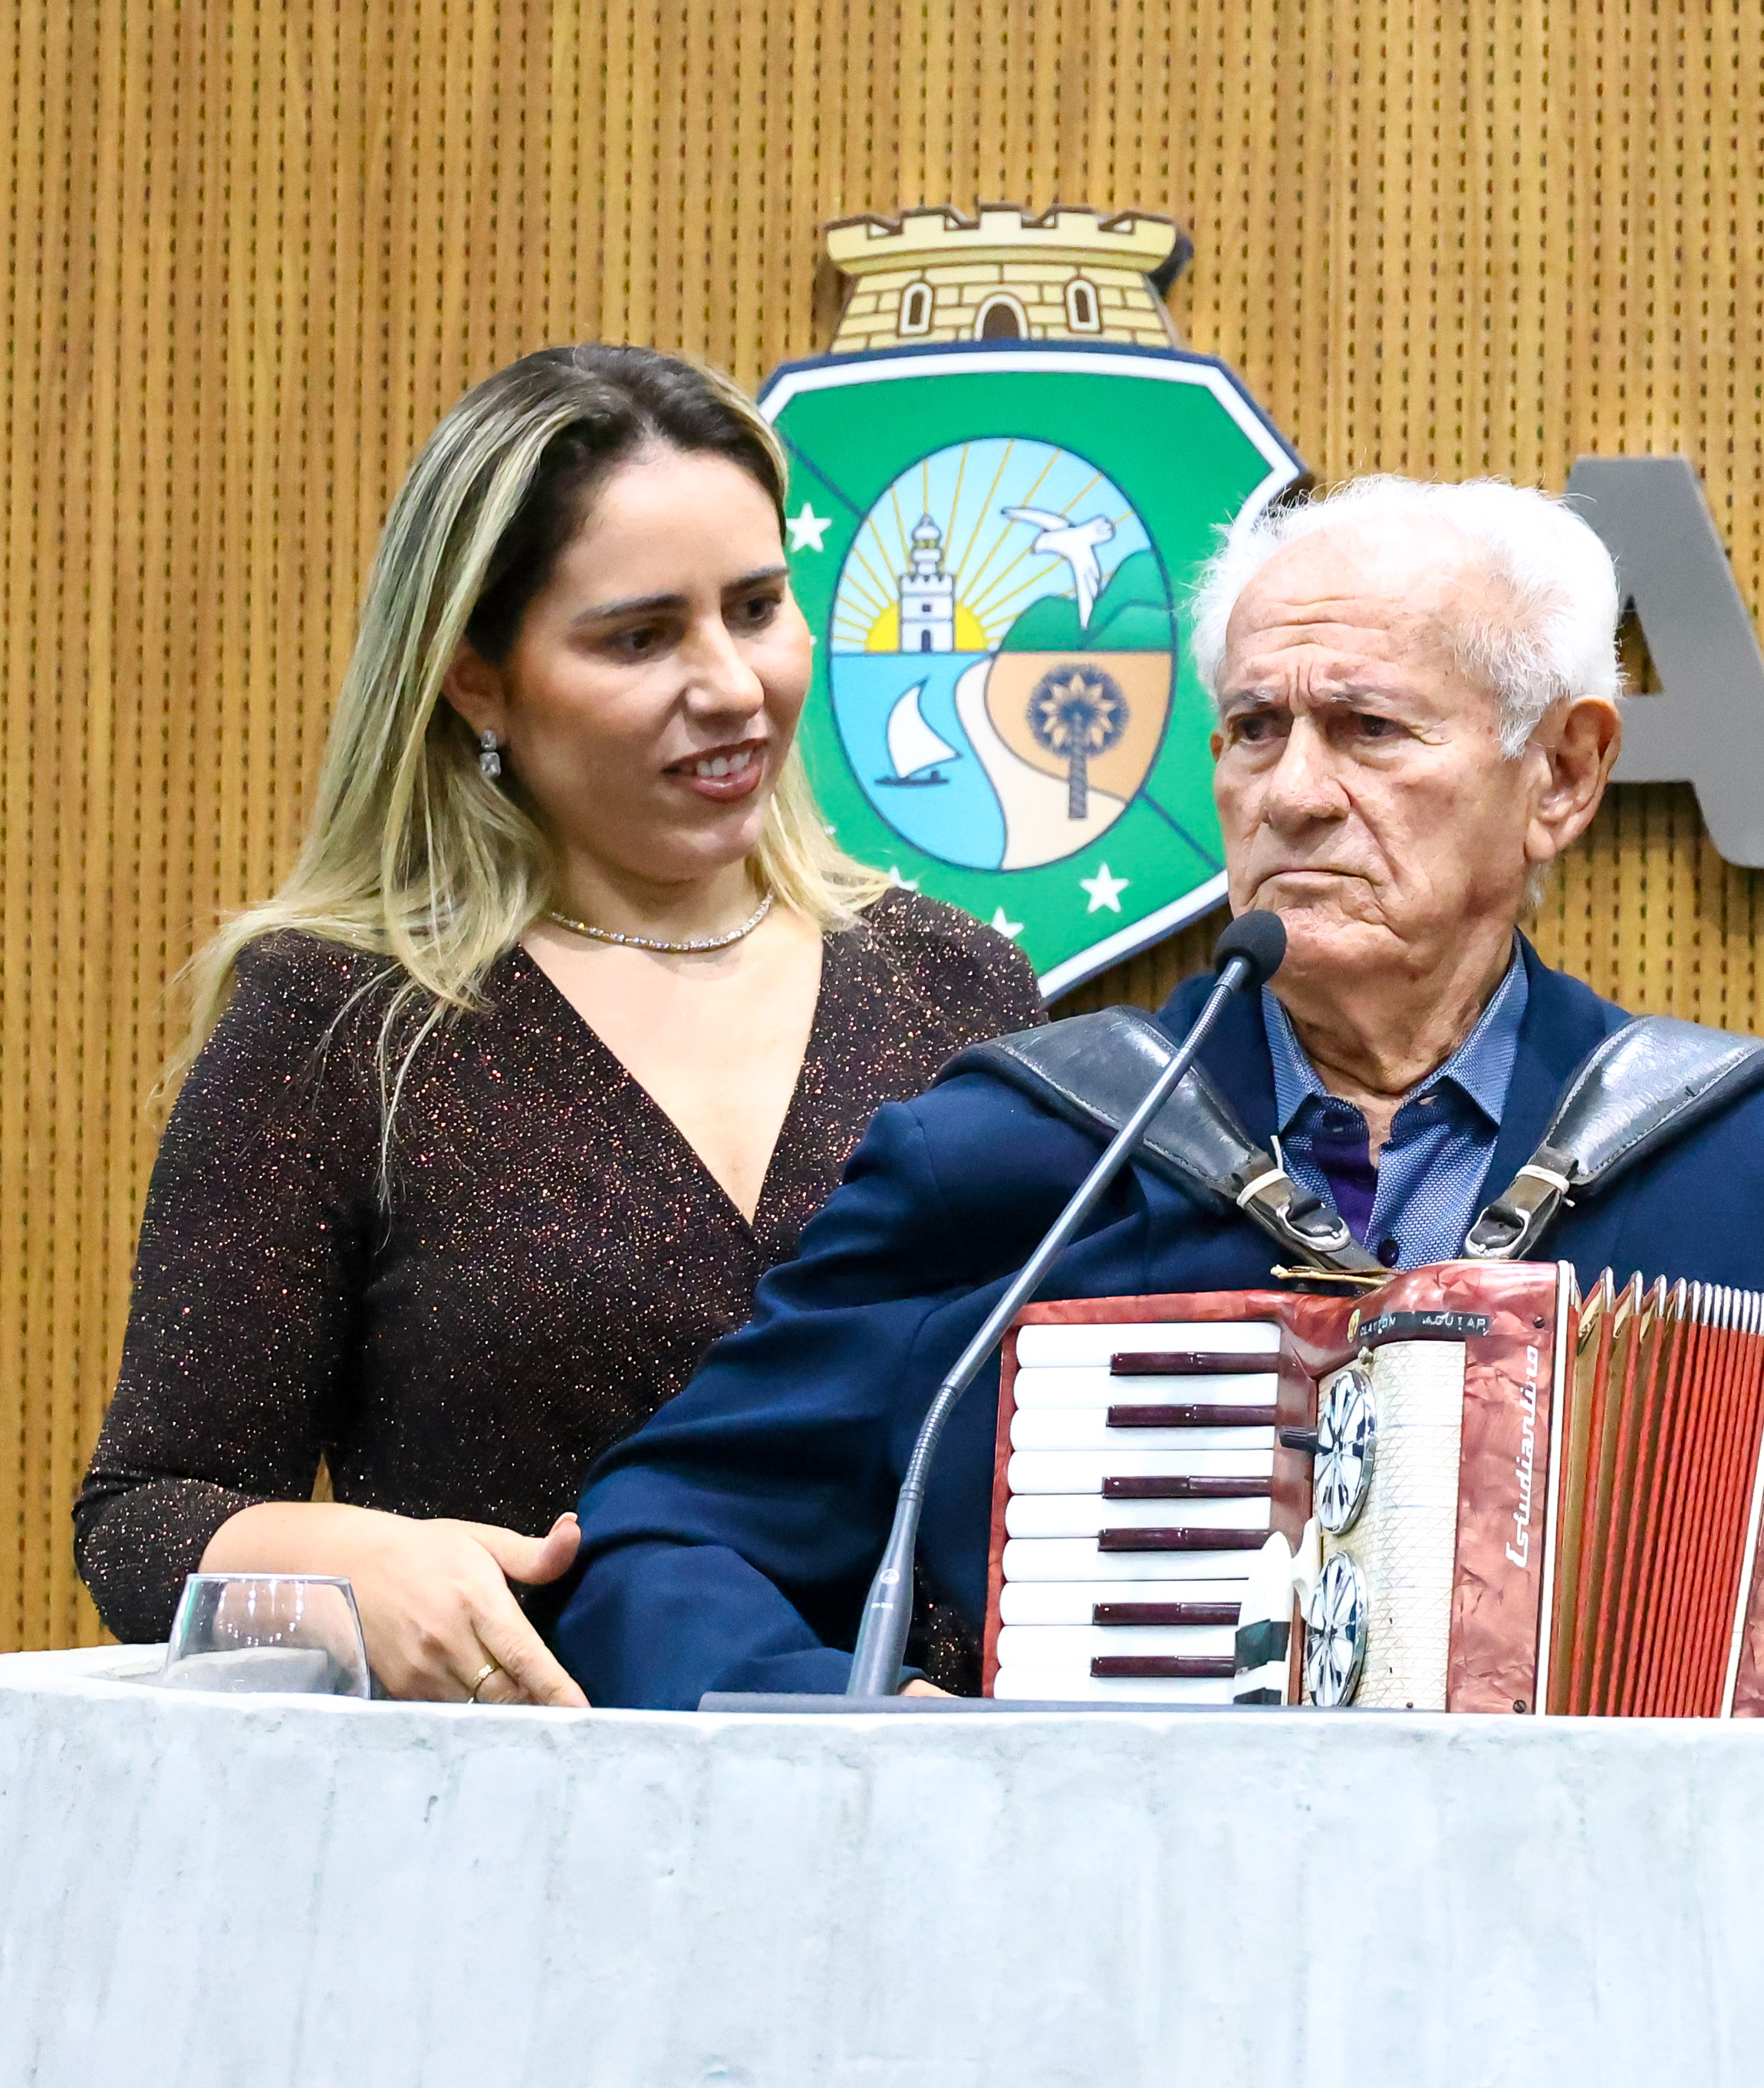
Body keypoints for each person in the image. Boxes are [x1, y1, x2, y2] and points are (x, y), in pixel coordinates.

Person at [554, 473, 1764, 1714]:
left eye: (1369, 729)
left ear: (1563, 778)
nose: (1294, 793)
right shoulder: (1019, 1153)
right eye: (1255, 729)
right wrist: (875, 1738)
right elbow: (661, 1549)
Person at [74, 347, 1042, 1703]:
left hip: (944, 1807)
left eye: (756, 608)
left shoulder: (958, 987)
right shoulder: (345, 1022)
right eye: (640, 637)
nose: (731, 684)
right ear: (476, 677)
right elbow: (144, 1516)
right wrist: (352, 1568)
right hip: (515, 1806)